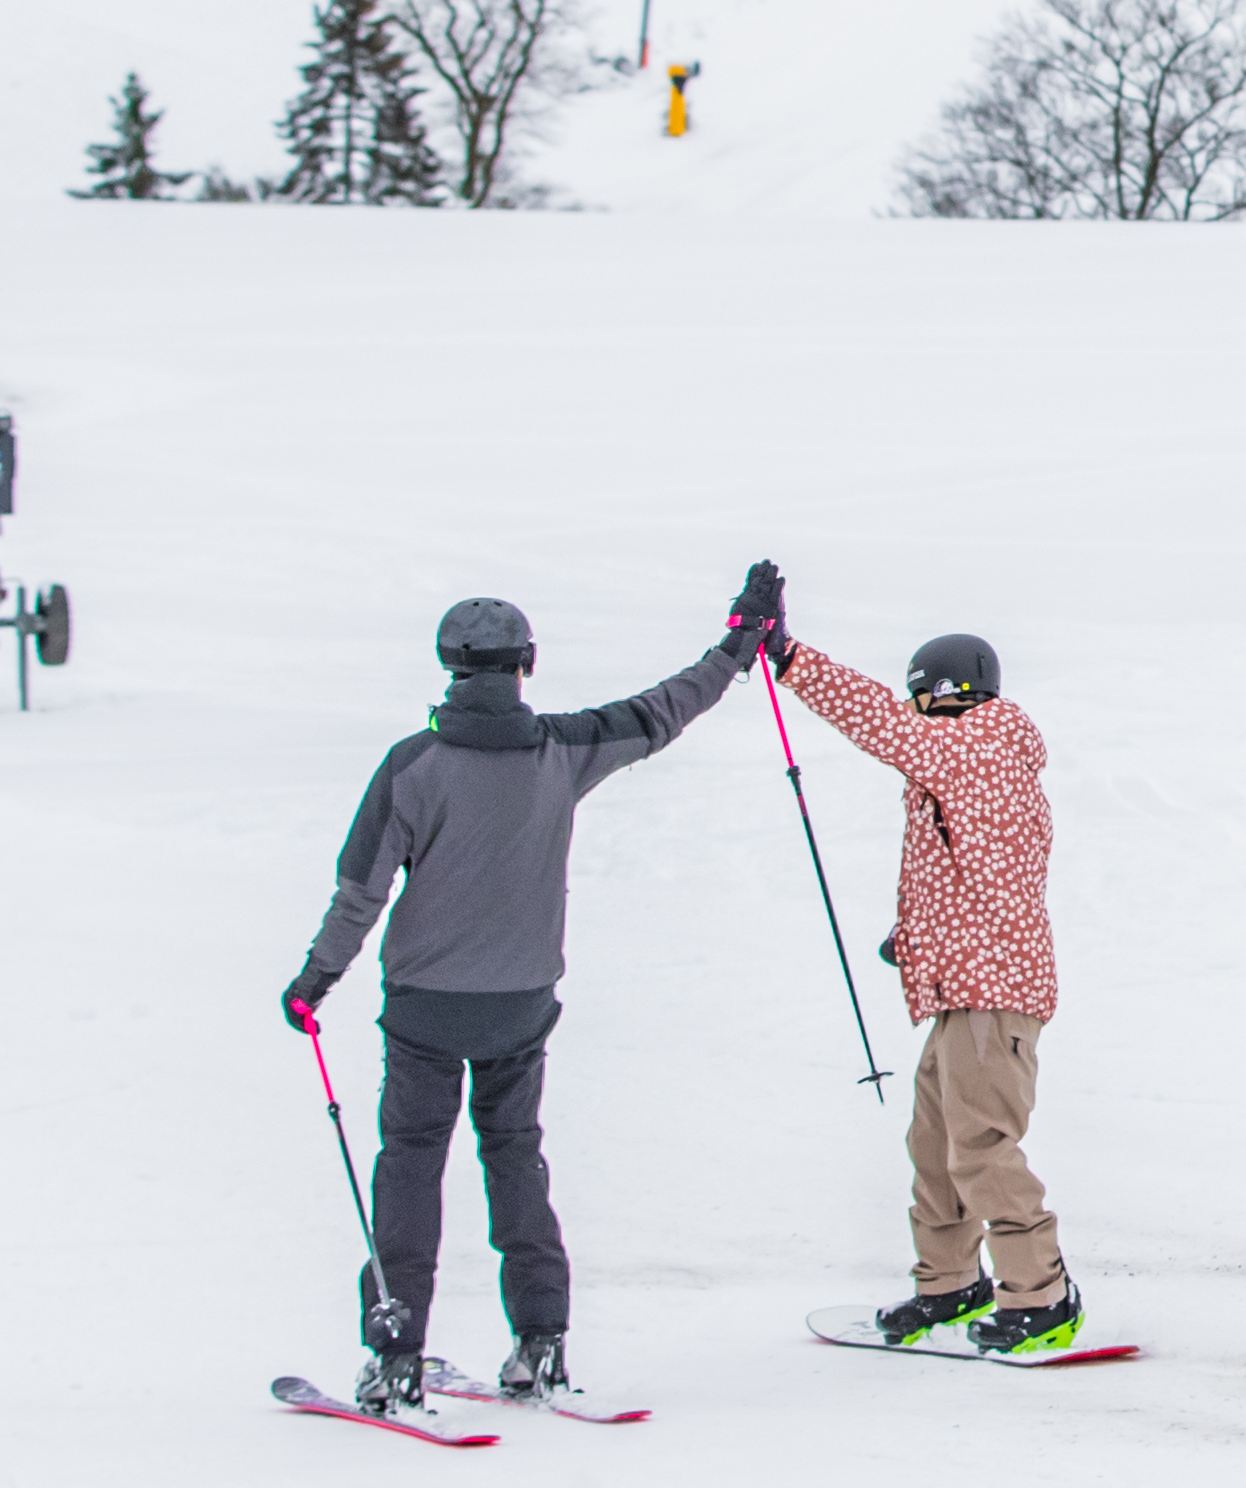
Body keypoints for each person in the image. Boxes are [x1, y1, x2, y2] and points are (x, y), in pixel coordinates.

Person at [287, 568, 779, 1412]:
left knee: (410, 1167)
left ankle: (396, 1356)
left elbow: (360, 891)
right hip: (521, 1004)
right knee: (514, 1156)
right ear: (528, 662)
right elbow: (663, 710)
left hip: (424, 1007)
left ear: (448, 663)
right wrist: (739, 645)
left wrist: (315, 980)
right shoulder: (564, 749)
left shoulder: (412, 765)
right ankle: (540, 1343)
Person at [764, 624, 1077, 1355]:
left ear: (944, 693)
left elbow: (880, 723)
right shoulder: (968, 762)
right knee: (935, 1147)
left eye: (918, 698)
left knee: (983, 1147)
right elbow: (975, 873)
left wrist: (790, 658)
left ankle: (1042, 1296)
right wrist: (912, 938)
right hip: (961, 988)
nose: (911, 711)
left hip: (991, 990)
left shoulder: (980, 745)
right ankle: (949, 1285)